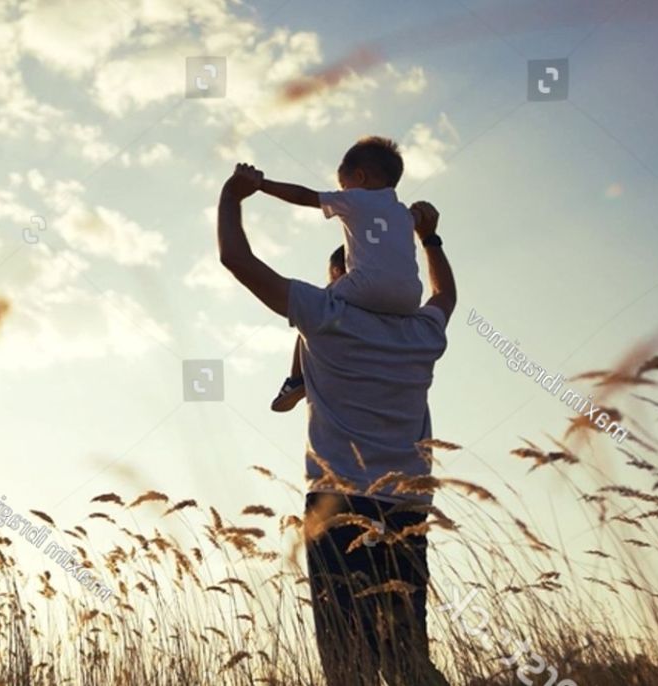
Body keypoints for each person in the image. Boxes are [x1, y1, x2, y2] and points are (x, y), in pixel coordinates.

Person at [217, 162, 455, 686]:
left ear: (349, 269)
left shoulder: (324, 315)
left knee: (348, 664)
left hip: (338, 501)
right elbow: (445, 298)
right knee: (409, 657)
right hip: (407, 510)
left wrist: (234, 197)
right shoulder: (423, 334)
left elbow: (235, 258)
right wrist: (430, 238)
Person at [238, 136, 422, 412]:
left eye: (344, 186)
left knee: (312, 309)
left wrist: (262, 185)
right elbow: (415, 226)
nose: (343, 192)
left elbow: (304, 196)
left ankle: (296, 379)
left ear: (359, 177)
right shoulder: (404, 214)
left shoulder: (357, 198)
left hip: (368, 286)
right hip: (411, 298)